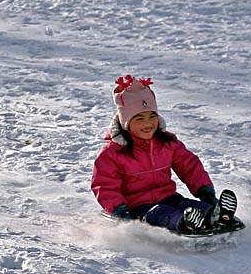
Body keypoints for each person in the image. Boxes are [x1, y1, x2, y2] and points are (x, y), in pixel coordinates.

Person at [91, 74, 237, 232]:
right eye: (139, 119)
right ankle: (186, 223)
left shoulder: (167, 143)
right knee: (162, 214)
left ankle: (217, 215)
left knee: (188, 206)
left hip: (169, 197)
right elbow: (105, 185)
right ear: (126, 122)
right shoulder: (112, 153)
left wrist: (204, 191)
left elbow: (189, 166)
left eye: (152, 116)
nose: (148, 123)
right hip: (137, 207)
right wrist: (119, 209)